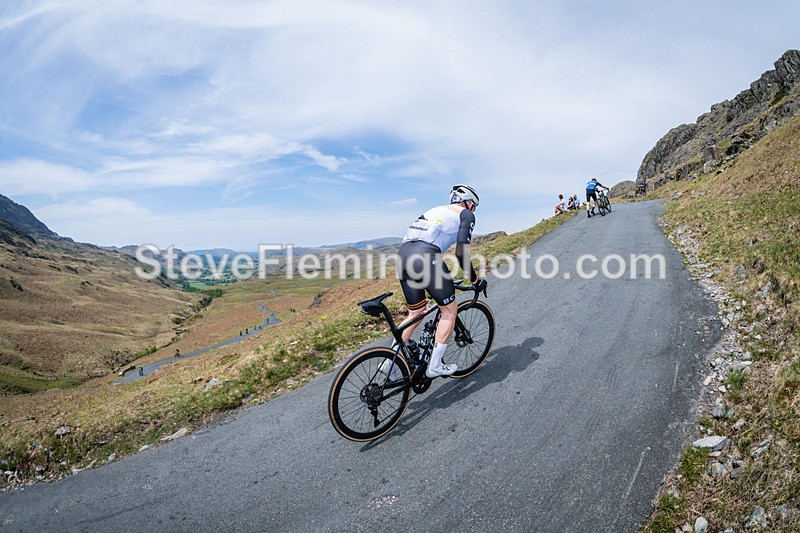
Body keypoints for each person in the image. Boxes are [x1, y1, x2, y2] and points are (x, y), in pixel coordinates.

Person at [386, 184, 487, 379]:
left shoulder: (436, 210)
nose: (473, 210)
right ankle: (436, 365)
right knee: (449, 310)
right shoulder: (466, 215)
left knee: (415, 312)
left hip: (404, 257)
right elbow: (461, 253)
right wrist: (475, 281)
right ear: (468, 203)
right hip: (426, 258)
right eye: (473, 206)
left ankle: (388, 363)